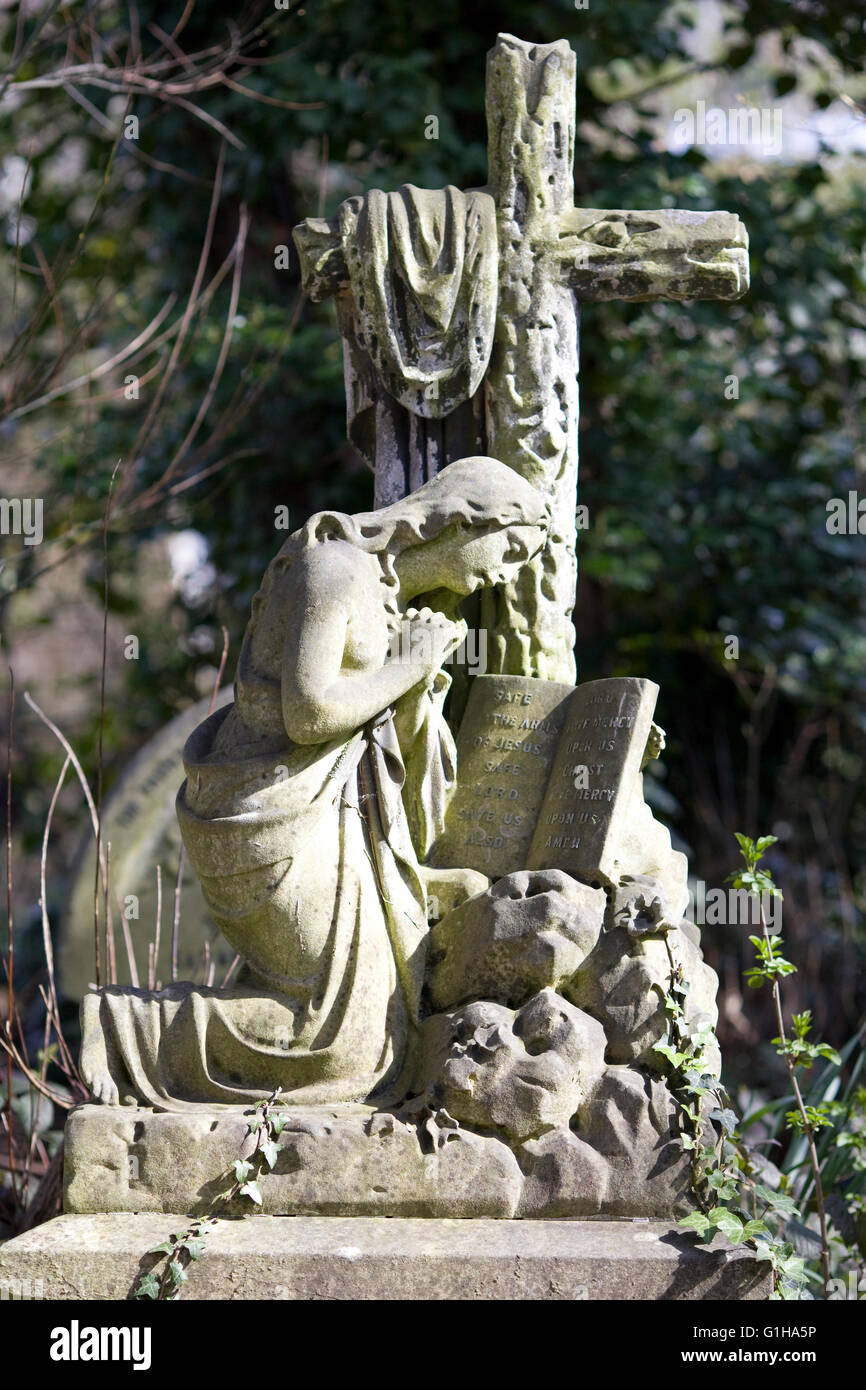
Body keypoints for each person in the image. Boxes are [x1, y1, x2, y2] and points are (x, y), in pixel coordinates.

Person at [80, 457, 548, 1109]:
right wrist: (411, 665)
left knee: (378, 1028)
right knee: (337, 1041)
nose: (505, 571)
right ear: (462, 520)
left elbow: (376, 735)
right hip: (265, 816)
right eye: (511, 547)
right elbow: (309, 713)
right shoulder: (333, 569)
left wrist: (416, 690)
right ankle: (129, 1027)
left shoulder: (392, 599)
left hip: (331, 821)